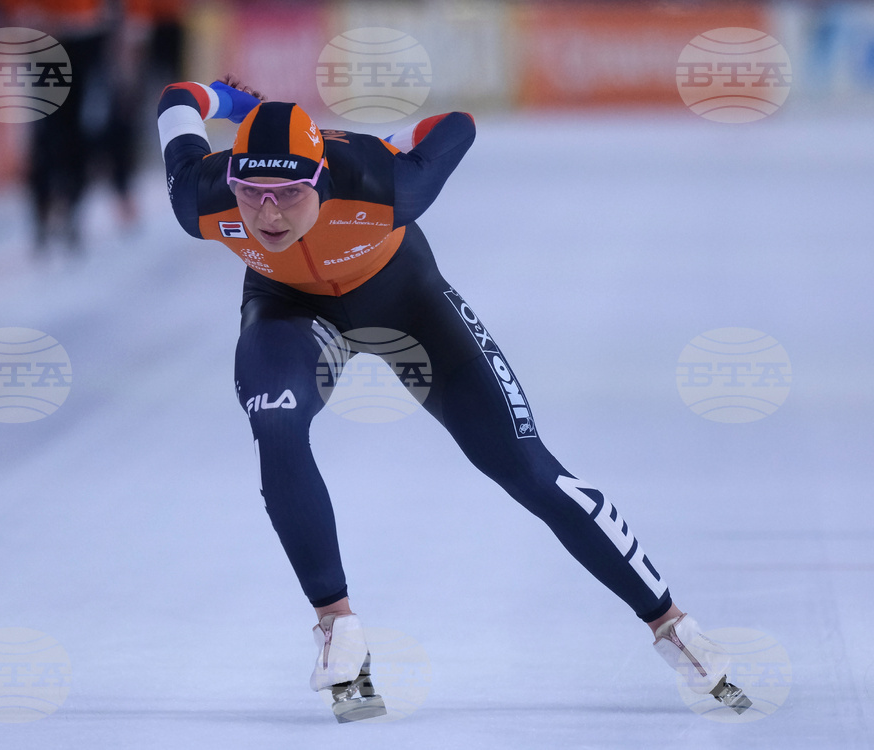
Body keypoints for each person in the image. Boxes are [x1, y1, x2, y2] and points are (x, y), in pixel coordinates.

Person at [156, 76, 751, 721]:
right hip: (289, 311)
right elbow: (177, 97)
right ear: (230, 181)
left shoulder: (386, 182)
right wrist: (234, 101)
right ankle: (338, 626)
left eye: (291, 195)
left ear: (322, 179)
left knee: (524, 467)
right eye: (251, 195)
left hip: (407, 303)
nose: (268, 216)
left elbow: (457, 124)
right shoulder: (199, 197)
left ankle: (671, 623)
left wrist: (386, 142)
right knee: (276, 426)